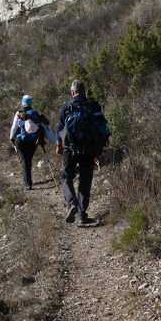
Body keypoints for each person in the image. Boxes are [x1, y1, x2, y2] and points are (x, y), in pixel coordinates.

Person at [56, 79, 109, 226]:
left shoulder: (66, 107)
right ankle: (81, 215)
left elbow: (60, 127)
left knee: (66, 177)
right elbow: (102, 125)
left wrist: (58, 145)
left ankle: (71, 204)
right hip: (89, 149)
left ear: (72, 92)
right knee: (85, 181)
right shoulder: (93, 105)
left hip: (70, 149)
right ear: (84, 91)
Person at [9, 94, 49, 190]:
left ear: (23, 102)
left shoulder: (19, 113)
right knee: (28, 160)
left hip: (20, 140)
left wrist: (11, 138)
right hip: (33, 140)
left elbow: (14, 128)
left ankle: (28, 183)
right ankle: (27, 180)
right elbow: (41, 127)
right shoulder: (35, 113)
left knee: (25, 160)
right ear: (31, 103)